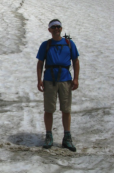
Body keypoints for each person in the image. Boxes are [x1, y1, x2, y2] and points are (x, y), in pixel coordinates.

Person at [36, 19, 80, 152]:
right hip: (50, 80)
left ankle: (67, 137)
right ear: (49, 30)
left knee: (66, 109)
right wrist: (39, 80)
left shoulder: (69, 43)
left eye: (58, 27)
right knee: (49, 109)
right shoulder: (46, 45)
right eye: (53, 27)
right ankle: (49, 135)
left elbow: (76, 61)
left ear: (61, 29)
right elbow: (40, 63)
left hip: (66, 79)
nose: (56, 29)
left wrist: (76, 78)